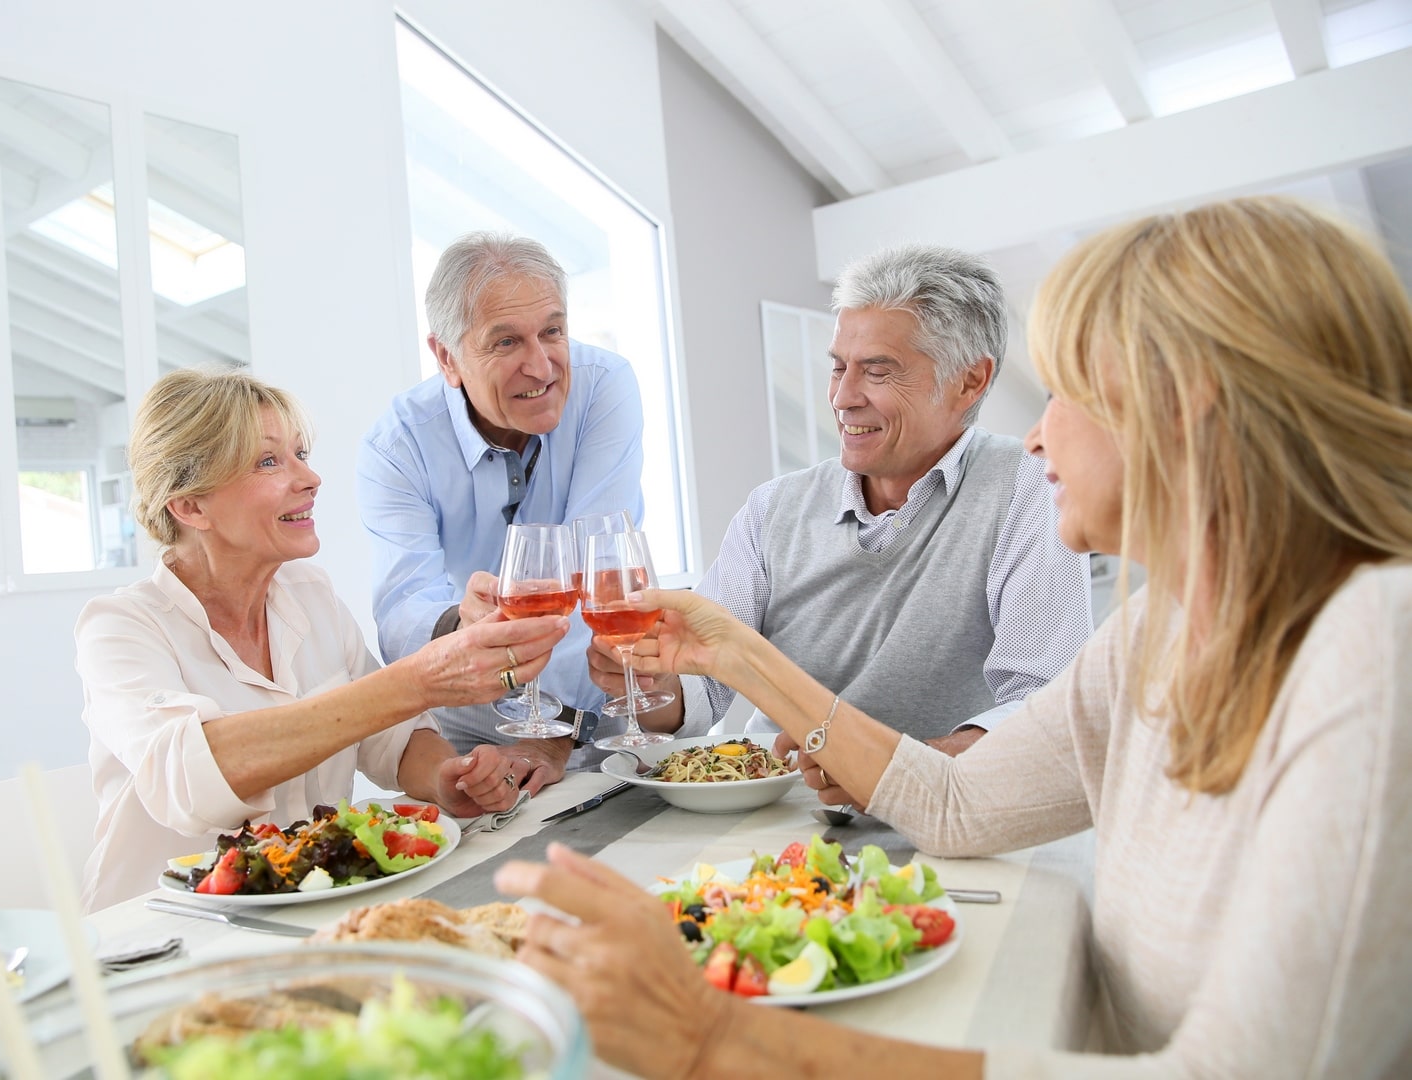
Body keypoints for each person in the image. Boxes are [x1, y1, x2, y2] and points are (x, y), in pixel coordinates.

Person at [498, 197, 1412, 1077]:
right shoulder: (1158, 634)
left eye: (1070, 392)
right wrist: (734, 653)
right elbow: (958, 805)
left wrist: (713, 1044)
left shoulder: (1373, 647)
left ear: (1191, 409)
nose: (1041, 434)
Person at [76, 368, 569, 911]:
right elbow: (190, 779)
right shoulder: (119, 627)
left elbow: (390, 738)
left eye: (300, 454)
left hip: (305, 913)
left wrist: (444, 776)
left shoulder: (308, 592)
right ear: (191, 506)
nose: (310, 478)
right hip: (160, 937)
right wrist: (418, 680)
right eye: (269, 461)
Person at [592, 245, 1091, 754]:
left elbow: (1045, 702)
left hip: (946, 807)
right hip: (784, 803)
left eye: (877, 371)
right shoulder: (772, 510)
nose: (843, 396)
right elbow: (698, 692)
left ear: (969, 380)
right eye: (839, 368)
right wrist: (650, 688)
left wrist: (884, 774)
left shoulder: (1030, 487)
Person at [358, 232, 665, 787]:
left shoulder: (604, 387)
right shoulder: (397, 446)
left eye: (552, 330)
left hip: (597, 700)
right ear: (447, 358)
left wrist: (551, 732)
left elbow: (594, 571)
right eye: (506, 342)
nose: (542, 365)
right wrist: (462, 623)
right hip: (475, 705)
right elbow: (400, 610)